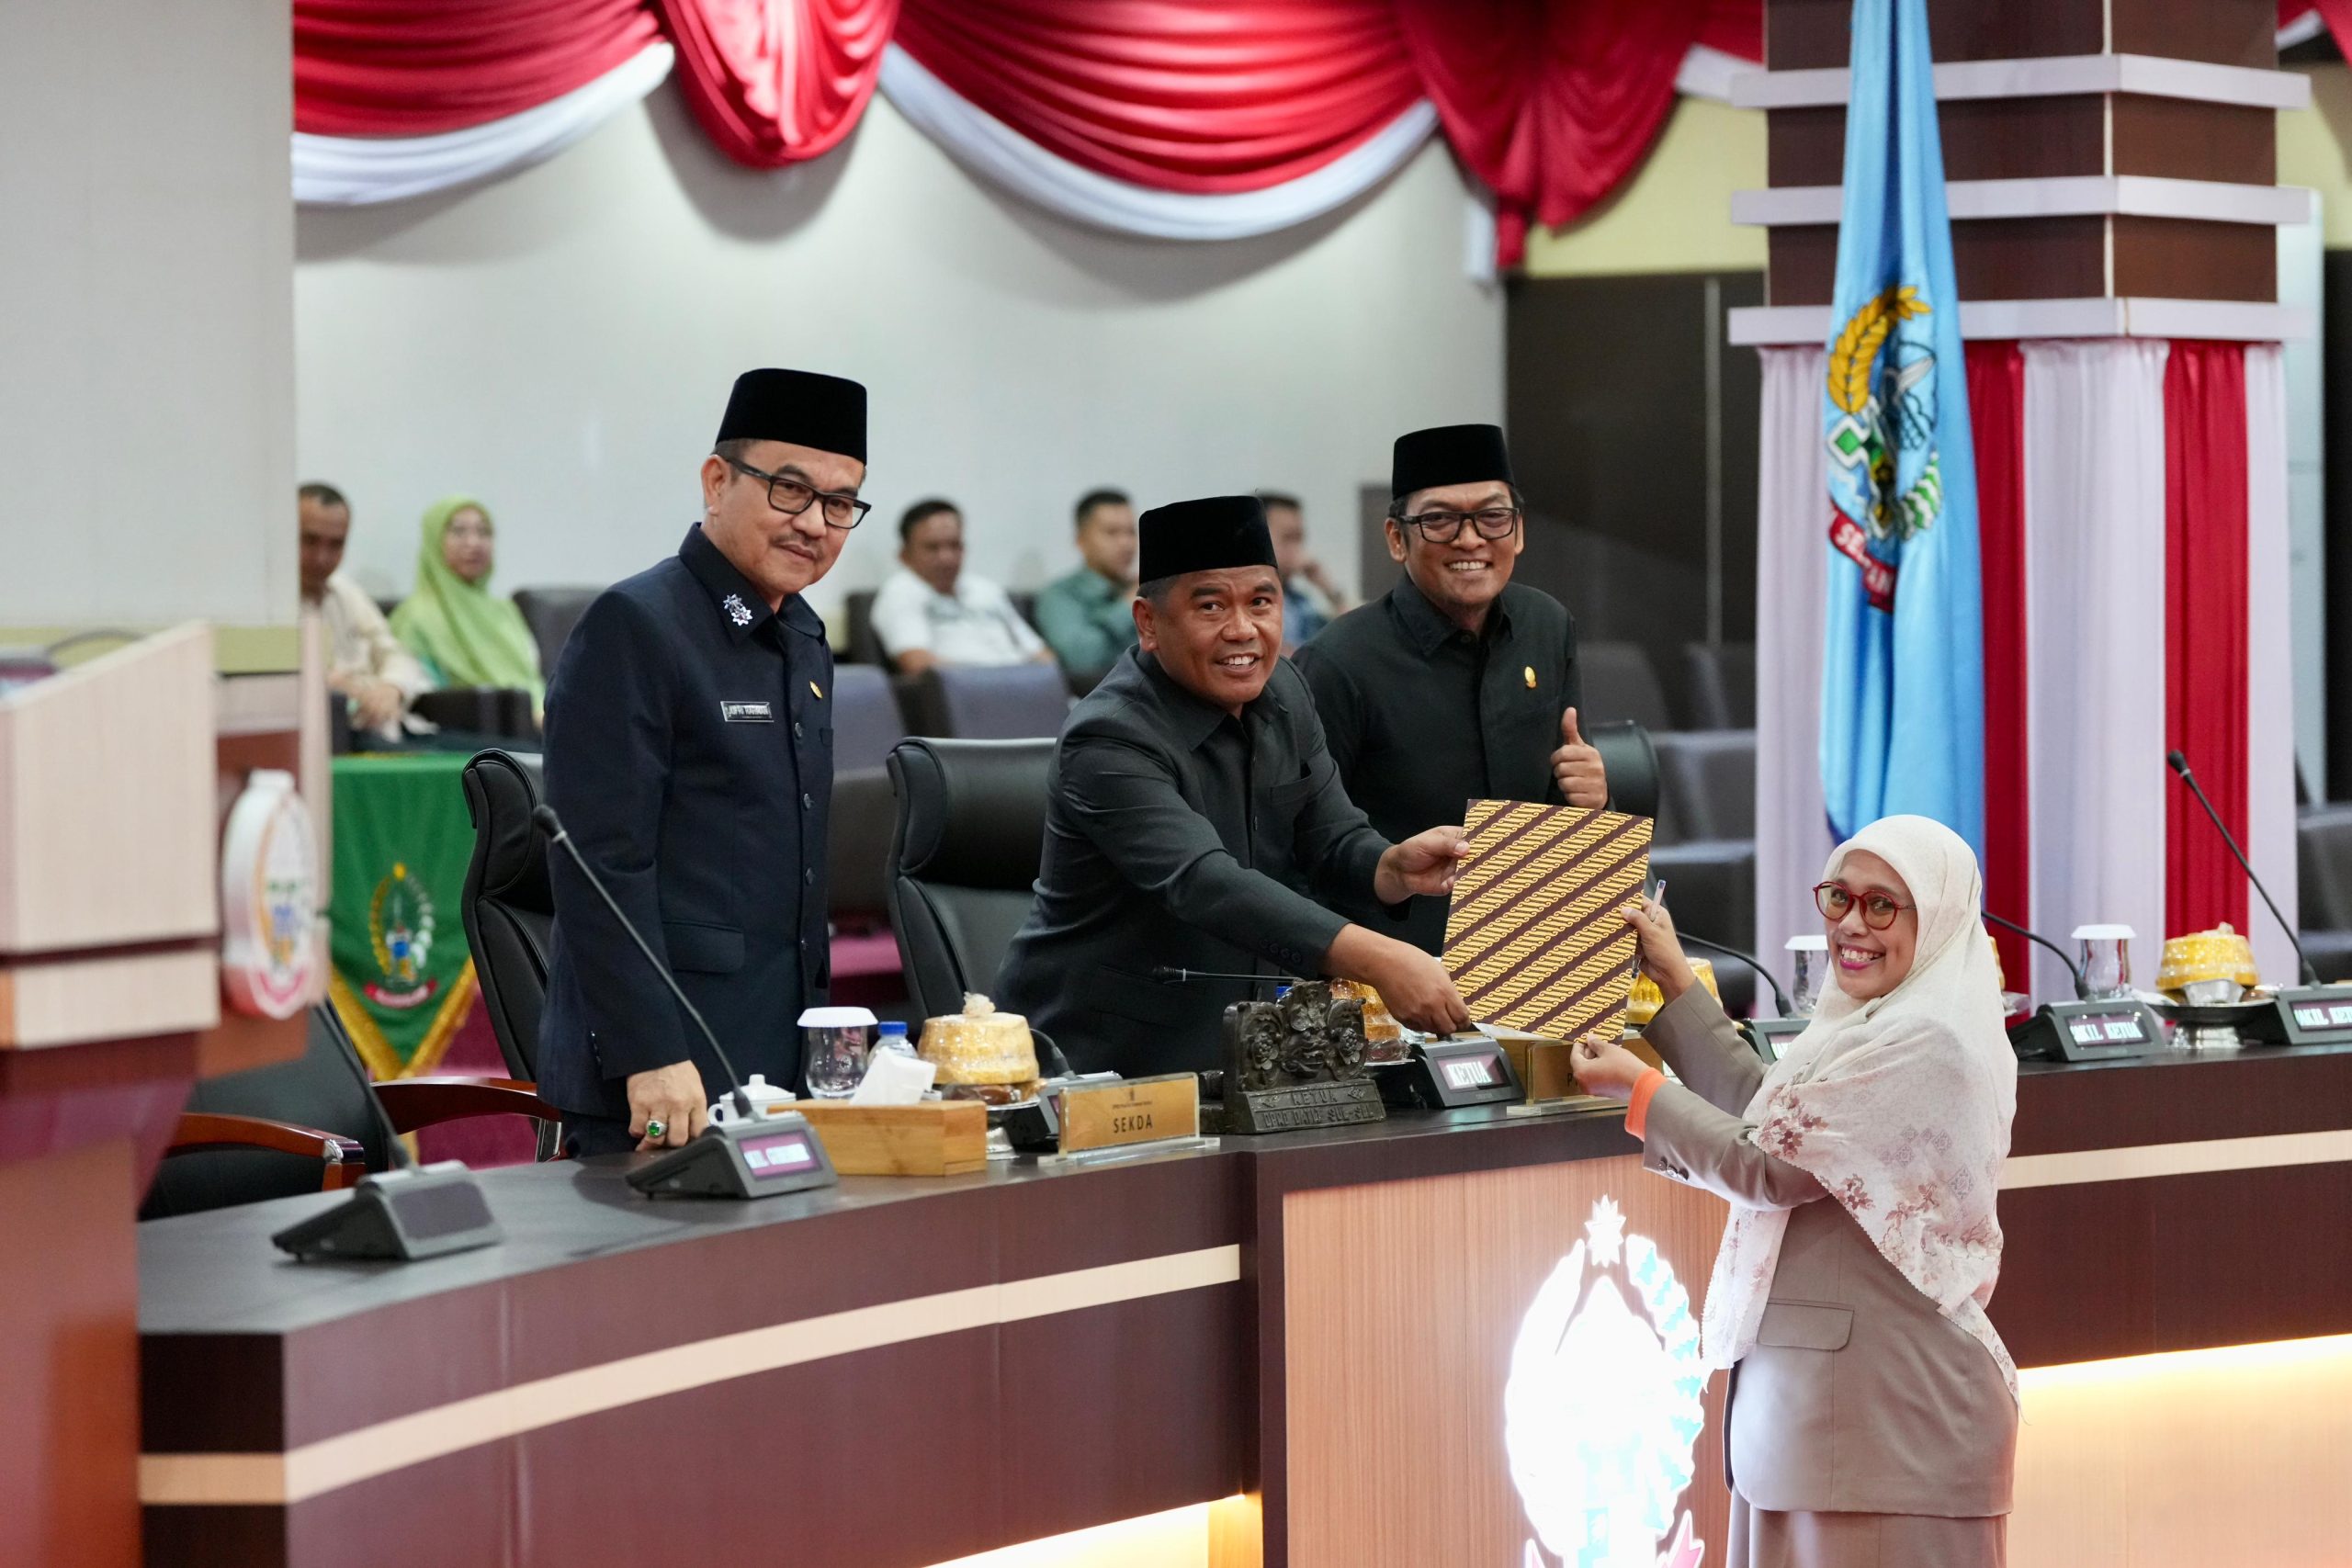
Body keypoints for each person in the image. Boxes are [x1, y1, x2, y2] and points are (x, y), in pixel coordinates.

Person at [1574, 815, 2018, 1568]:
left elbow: (1770, 1167)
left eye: (1883, 905)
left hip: (1883, 1434)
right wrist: (1676, 979)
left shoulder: (1928, 1040)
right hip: (1822, 1430)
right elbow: (1776, 1120)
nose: (1853, 923)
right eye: (1839, 896)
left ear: (1938, 919)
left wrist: (1640, 1088)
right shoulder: (1869, 1024)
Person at [996, 494, 1474, 1077]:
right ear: (1148, 623)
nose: (1243, 630)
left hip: (1251, 1054)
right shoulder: (1108, 737)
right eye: (1211, 607)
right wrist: (1378, 959)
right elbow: (1204, 883)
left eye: (1261, 602)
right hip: (1107, 1061)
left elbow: (1330, 836)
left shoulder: (1285, 690)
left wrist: (1390, 867)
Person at [537, 368, 866, 1157]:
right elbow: (600, 864)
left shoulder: (804, 638)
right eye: (791, 489)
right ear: (718, 481)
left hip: (779, 1059)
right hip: (662, 1074)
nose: (814, 523)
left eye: (840, 502)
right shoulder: (636, 625)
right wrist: (647, 1052)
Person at [1295, 424, 1607, 954]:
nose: (1470, 539)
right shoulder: (1336, 663)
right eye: (1439, 520)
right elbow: (1306, 846)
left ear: (1518, 531)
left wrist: (1597, 796)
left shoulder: (1547, 625)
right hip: (1395, 965)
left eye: (1493, 516)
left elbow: (1569, 795)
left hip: (1537, 957)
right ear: (1397, 538)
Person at [299, 481, 432, 744]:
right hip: (343, 736)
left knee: (502, 756)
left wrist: (391, 687)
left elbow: (397, 655)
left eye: (336, 544)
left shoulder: (346, 592)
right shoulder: (265, 607)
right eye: (309, 541)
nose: (322, 558)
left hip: (397, 729)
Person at [389, 496, 547, 712]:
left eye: (483, 532)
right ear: (434, 541)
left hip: (538, 719)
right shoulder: (415, 615)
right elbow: (420, 692)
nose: (474, 543)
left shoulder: (505, 611)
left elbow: (533, 679)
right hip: (465, 724)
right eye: (458, 531)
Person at [869, 499, 1053, 673]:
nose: (947, 558)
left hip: (1024, 684)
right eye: (933, 548)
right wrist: (993, 680)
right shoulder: (900, 592)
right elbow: (918, 664)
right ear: (904, 555)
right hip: (966, 690)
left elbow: (1040, 654)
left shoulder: (986, 589)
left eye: (954, 545)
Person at [1032, 488, 1140, 681]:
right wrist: (1128, 603)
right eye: (1112, 532)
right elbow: (1082, 659)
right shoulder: (1060, 595)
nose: (1126, 543)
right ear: (1081, 541)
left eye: (1131, 532)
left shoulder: (1145, 588)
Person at [1260, 490, 1352, 650]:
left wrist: (1328, 588)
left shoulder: (1301, 603)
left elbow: (1353, 634)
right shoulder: (1245, 601)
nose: (1297, 548)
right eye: (1288, 538)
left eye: (1299, 538)